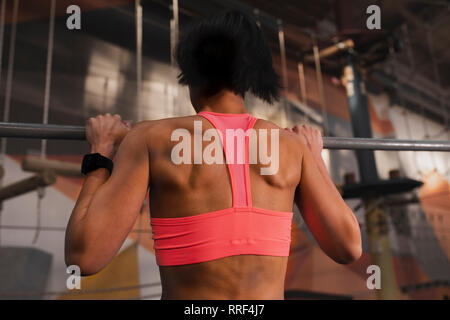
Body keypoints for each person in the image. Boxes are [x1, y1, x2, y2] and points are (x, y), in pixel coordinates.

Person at [65, 11, 361, 300]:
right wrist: (314, 158)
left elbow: (84, 258)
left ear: (190, 70)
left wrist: (100, 155)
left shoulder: (149, 139)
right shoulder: (291, 147)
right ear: (251, 76)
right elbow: (349, 247)